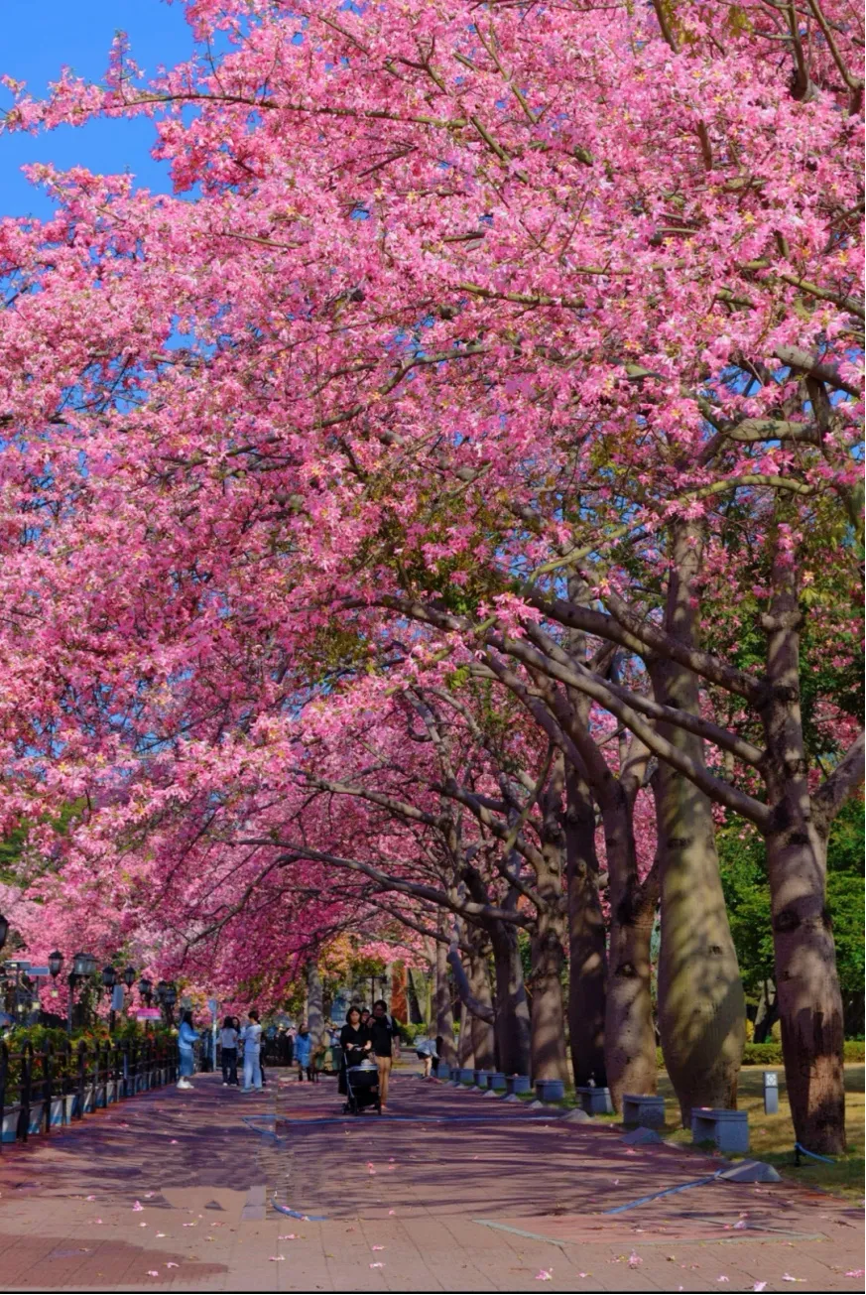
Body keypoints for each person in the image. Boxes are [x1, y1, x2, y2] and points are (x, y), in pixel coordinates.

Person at [368, 999, 401, 1111]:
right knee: (375, 1077)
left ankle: (382, 1102)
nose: (378, 1012)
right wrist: (368, 1025)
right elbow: (365, 1035)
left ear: (384, 1010)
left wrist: (397, 1048)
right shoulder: (370, 1020)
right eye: (376, 1010)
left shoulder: (390, 1020)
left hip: (387, 1053)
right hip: (374, 1053)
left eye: (380, 1010)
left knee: (385, 1078)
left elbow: (396, 1034)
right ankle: (374, 1100)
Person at [338, 1006, 372, 1096]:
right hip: (350, 1056)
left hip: (362, 1055)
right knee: (350, 1078)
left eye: (356, 1015)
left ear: (360, 1015)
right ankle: (352, 1099)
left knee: (365, 1076)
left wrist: (368, 1045)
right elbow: (343, 1041)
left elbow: (368, 1039)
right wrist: (349, 1045)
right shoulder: (345, 1028)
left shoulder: (364, 1027)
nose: (354, 1017)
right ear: (349, 1016)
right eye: (352, 1015)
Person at [177, 1010, 200, 1090]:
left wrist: (197, 1034)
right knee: (185, 1064)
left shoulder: (186, 1025)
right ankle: (181, 1080)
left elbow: (191, 1033)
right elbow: (187, 1036)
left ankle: (185, 1081)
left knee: (189, 1064)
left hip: (187, 1047)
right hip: (184, 1047)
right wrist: (196, 1038)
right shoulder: (185, 1025)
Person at [241, 1009, 263, 1092]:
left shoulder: (251, 1028)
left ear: (252, 1018)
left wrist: (243, 1027)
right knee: (256, 1068)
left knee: (248, 1068)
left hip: (249, 1049)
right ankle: (258, 1086)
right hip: (256, 1049)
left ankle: (247, 1086)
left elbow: (243, 1036)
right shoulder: (259, 1027)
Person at [220, 1016, 239, 1086]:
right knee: (232, 1065)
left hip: (224, 1049)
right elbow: (235, 1040)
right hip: (232, 1049)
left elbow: (221, 1041)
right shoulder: (234, 1031)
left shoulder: (222, 1031)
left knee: (224, 1065)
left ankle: (225, 1080)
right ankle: (232, 1081)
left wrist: (220, 1049)